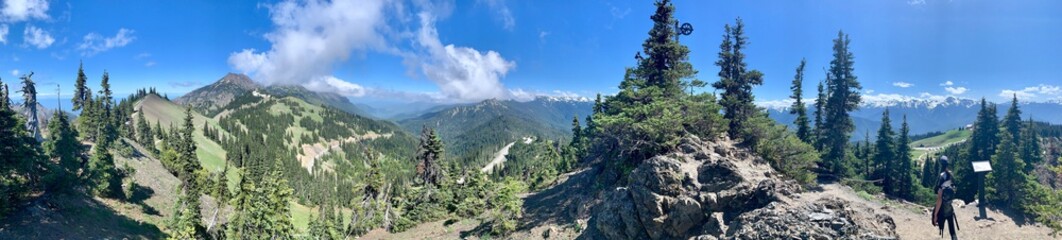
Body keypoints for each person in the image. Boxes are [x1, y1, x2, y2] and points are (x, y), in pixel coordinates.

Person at [933, 155, 959, 240]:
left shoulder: (941, 176)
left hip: (942, 210)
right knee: (952, 230)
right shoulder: (951, 175)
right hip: (950, 208)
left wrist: (935, 214)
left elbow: (939, 199)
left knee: (939, 225)